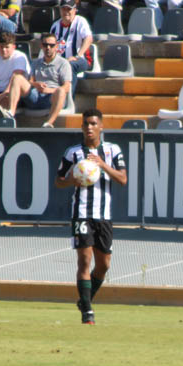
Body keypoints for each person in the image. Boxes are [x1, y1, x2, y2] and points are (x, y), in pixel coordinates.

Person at [53, 108, 127, 325]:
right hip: (82, 213)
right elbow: (58, 180)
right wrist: (71, 180)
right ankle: (87, 312)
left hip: (103, 215)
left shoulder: (113, 151)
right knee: (84, 260)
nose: (89, 127)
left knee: (104, 265)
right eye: (86, 124)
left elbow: (123, 179)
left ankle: (85, 300)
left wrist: (102, 165)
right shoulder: (73, 153)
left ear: (101, 126)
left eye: (94, 123)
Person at [14, 33, 73, 127]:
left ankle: (49, 123)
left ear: (56, 46)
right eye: (45, 45)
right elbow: (30, 81)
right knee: (17, 78)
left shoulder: (64, 63)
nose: (48, 48)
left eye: (51, 45)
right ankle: (10, 114)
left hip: (51, 98)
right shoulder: (35, 63)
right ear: (41, 46)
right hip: (35, 96)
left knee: (61, 91)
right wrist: (35, 84)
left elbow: (67, 87)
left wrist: (49, 90)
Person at [50, 0, 94, 90]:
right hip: (61, 61)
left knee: (69, 66)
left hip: (81, 60)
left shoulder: (80, 21)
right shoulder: (55, 26)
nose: (66, 12)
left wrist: (77, 56)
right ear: (60, 10)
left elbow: (89, 39)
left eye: (69, 9)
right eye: (63, 9)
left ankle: (69, 100)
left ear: (74, 10)